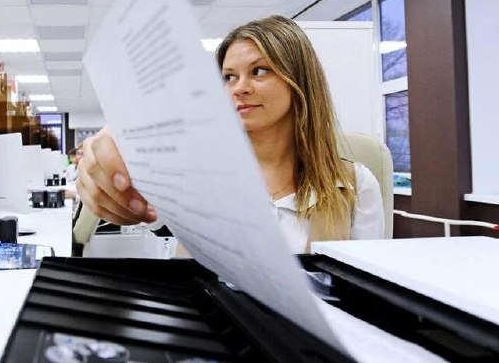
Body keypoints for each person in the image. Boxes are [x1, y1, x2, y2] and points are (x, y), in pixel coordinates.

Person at [75, 15, 384, 253]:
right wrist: (108, 159)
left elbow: (364, 292)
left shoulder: (356, 186)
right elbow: (133, 179)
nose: (240, 88)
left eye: (258, 71)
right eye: (229, 77)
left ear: (299, 79)